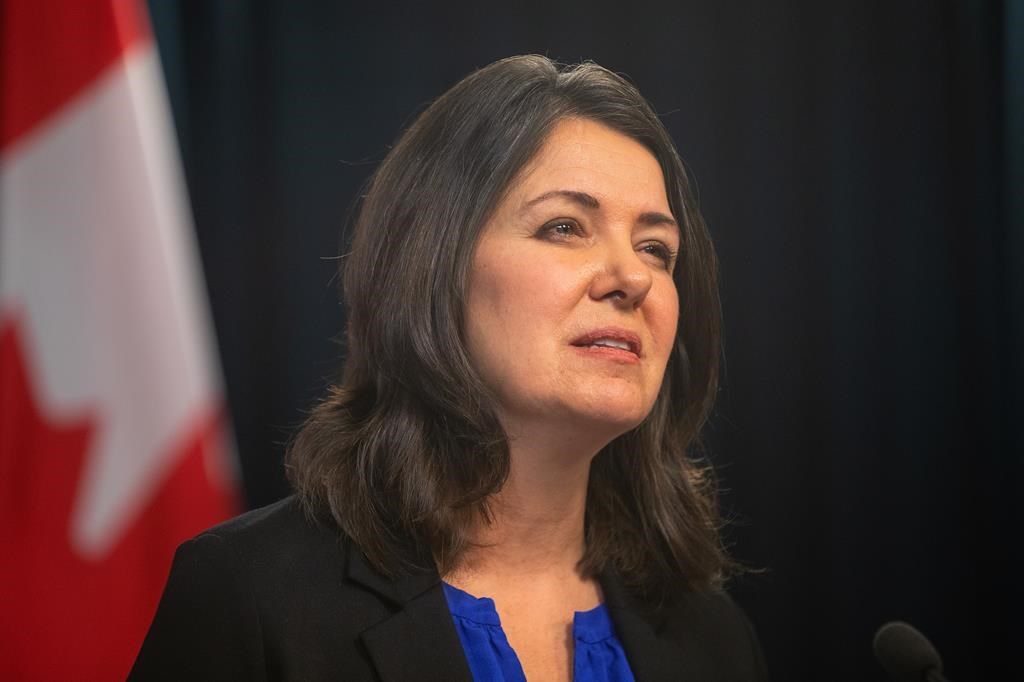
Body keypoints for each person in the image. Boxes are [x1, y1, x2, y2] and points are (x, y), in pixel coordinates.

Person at [129, 55, 768, 681]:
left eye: (656, 248)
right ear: (435, 267)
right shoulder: (253, 597)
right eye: (566, 226)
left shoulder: (712, 637)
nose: (633, 277)